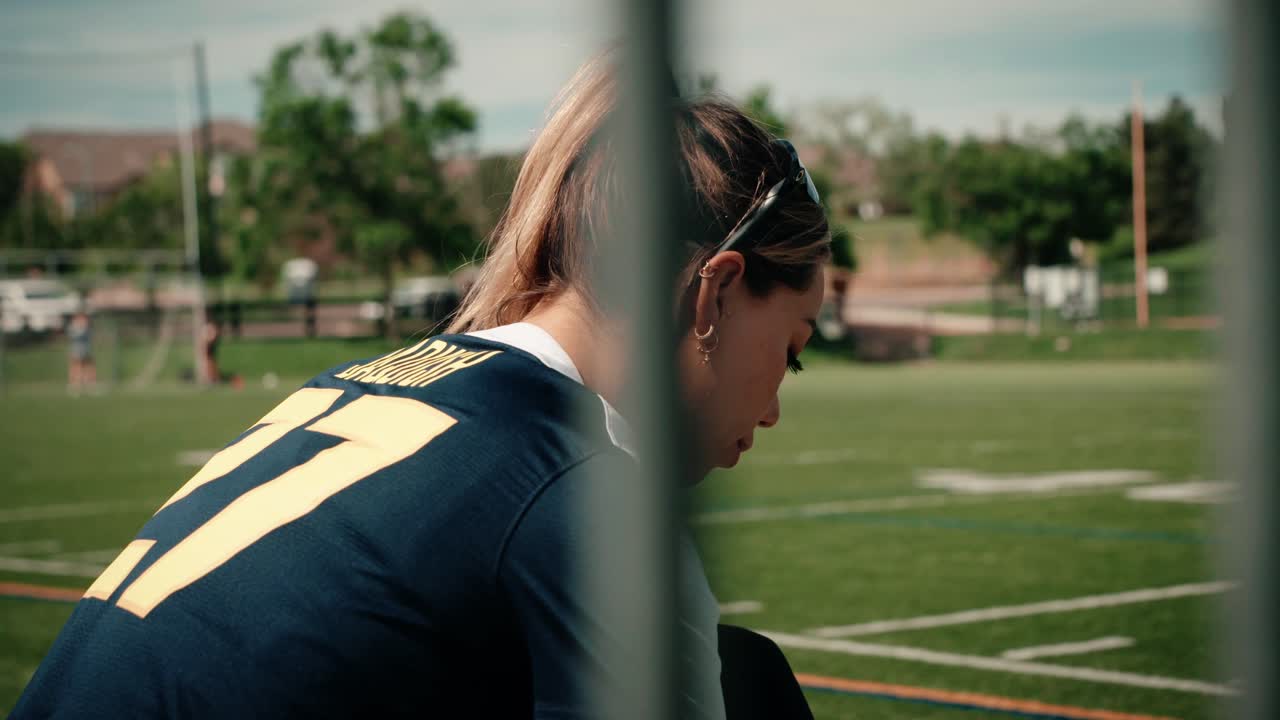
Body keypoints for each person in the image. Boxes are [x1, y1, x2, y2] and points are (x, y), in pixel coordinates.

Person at [13, 54, 828, 719]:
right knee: (752, 691)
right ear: (717, 292)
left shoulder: (363, 382)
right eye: (789, 351)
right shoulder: (587, 497)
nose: (773, 409)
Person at [65, 311, 95, 394]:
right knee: (76, 365)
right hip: (77, 349)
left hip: (85, 349)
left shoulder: (86, 327)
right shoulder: (74, 327)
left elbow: (89, 335)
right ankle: (75, 384)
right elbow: (74, 336)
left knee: (88, 365)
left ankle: (89, 383)